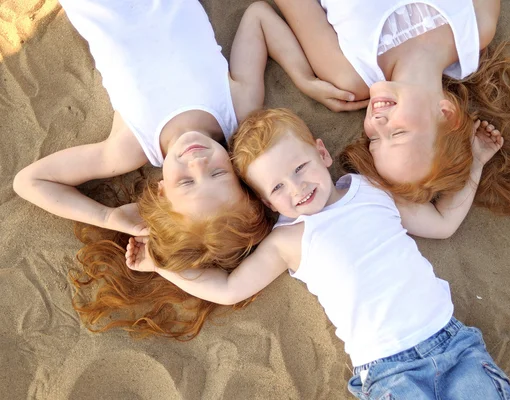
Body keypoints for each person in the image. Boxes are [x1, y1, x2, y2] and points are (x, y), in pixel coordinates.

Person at [12, 0, 362, 339]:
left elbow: (29, 181)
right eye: (217, 174)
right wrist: (303, 77)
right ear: (238, 171)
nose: (196, 162)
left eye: (185, 182)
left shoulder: (130, 145)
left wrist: (106, 218)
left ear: (161, 191)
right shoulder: (236, 107)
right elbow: (258, 16)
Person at [125, 109, 510, 398]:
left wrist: (477, 164)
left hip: (452, 344)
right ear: (266, 201)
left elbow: (441, 223)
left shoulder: (372, 189)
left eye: (299, 167)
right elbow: (229, 289)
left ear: (321, 153)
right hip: (389, 371)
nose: (297, 189)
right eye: (277, 189)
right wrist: (160, 266)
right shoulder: (288, 240)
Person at [273, 0, 510, 215]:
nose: (378, 122)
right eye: (397, 133)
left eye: (374, 139)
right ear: (447, 113)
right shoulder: (475, 27)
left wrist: (303, 77)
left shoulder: (349, 74)